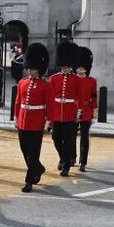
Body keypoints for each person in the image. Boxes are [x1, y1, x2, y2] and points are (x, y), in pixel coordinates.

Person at [12, 43, 52, 192]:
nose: (30, 71)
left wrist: (48, 121)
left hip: (37, 122)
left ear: (39, 69)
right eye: (29, 68)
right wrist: (16, 117)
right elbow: (18, 102)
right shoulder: (22, 83)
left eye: (33, 69)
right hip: (23, 120)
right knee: (24, 150)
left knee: (33, 153)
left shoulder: (45, 85)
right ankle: (39, 168)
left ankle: (29, 181)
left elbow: (49, 105)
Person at [48, 41, 82, 177]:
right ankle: (63, 157)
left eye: (67, 67)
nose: (65, 69)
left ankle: (66, 166)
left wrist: (78, 114)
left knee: (68, 141)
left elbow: (79, 98)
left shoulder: (77, 80)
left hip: (70, 114)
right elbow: (50, 98)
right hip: (57, 113)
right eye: (63, 66)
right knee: (56, 138)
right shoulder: (54, 78)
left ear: (70, 66)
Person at [75, 47, 97, 173]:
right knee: (71, 137)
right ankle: (72, 158)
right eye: (79, 67)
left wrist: (94, 114)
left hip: (87, 112)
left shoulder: (92, 81)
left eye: (83, 67)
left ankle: (83, 162)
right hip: (73, 111)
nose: (81, 69)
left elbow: (94, 98)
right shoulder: (73, 79)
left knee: (84, 137)